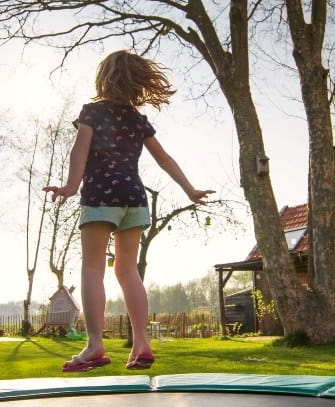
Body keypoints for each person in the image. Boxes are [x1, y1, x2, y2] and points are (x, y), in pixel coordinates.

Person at [43, 49, 214, 372]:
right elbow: (164, 159)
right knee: (127, 270)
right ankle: (142, 343)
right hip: (134, 198)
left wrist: (70, 186)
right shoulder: (138, 120)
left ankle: (94, 344)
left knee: (93, 268)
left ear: (104, 78)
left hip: (100, 198)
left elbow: (79, 150)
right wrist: (189, 189)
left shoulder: (91, 113)